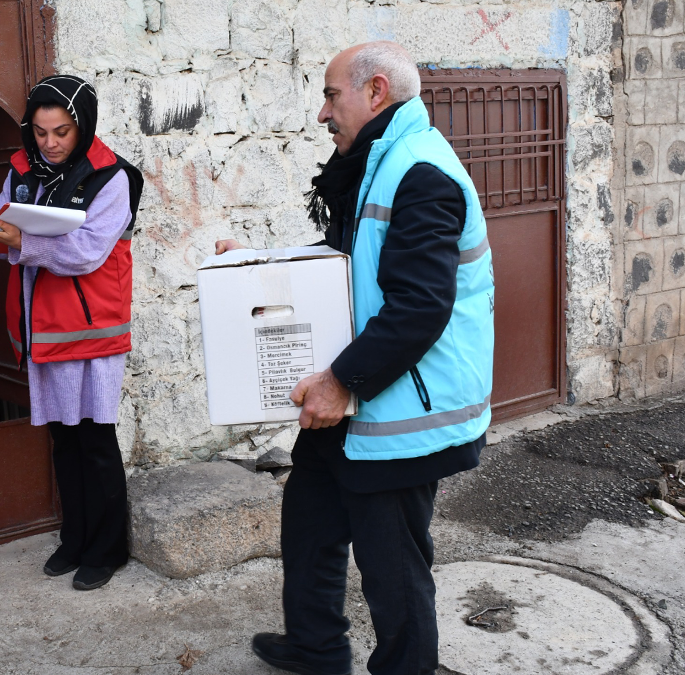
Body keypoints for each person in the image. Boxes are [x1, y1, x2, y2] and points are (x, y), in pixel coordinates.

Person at [216, 42, 495, 675]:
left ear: (374, 92)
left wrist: (341, 382)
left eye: (330, 94)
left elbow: (420, 307)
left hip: (398, 412)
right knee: (310, 521)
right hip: (360, 401)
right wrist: (258, 266)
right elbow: (349, 259)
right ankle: (316, 647)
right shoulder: (376, 162)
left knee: (391, 565)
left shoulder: (422, 173)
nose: (321, 112)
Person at [0, 75, 143, 591]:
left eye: (62, 131)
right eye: (41, 131)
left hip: (90, 329)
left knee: (95, 439)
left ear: (83, 127)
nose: (49, 143)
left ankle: (107, 548)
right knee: (62, 439)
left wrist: (23, 239)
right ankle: (74, 538)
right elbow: (5, 218)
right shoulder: (22, 168)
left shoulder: (112, 177)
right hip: (43, 328)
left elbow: (90, 251)